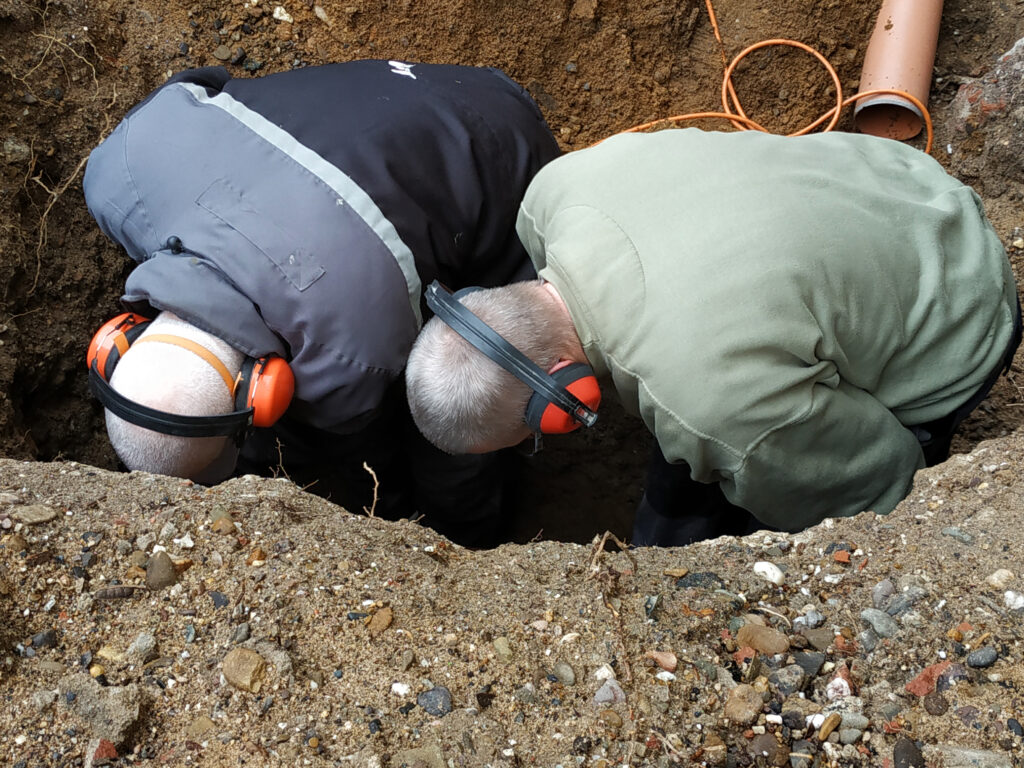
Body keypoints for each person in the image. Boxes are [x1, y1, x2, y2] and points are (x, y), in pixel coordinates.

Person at [405, 127, 1022, 546]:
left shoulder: (712, 407)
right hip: (890, 176)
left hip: (960, 301)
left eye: (534, 433)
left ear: (568, 398)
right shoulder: (553, 192)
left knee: (749, 462)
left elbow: (879, 485)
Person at [83, 60, 561, 547]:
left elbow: (367, 448)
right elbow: (206, 80)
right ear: (119, 337)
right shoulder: (117, 170)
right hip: (394, 97)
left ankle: (471, 542)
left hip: (504, 152)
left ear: (262, 392)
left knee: (461, 404)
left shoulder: (350, 354)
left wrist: (390, 525)